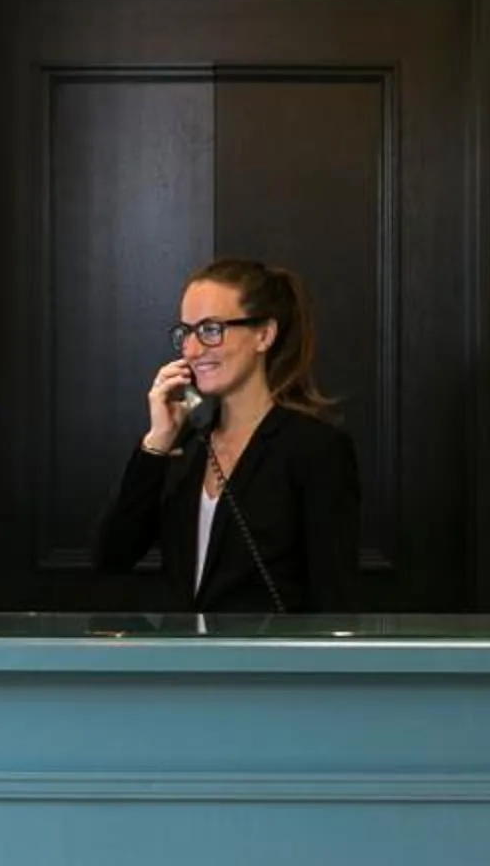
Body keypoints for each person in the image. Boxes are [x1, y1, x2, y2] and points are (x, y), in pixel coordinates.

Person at [91, 258, 361, 613]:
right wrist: (157, 442)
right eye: (185, 332)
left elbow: (333, 597)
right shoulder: (185, 449)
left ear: (264, 335)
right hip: (183, 663)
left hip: (267, 664)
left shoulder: (315, 448)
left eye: (211, 330)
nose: (191, 350)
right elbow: (112, 556)